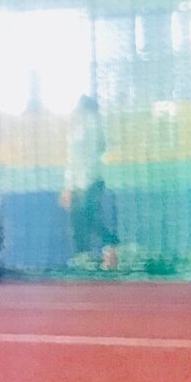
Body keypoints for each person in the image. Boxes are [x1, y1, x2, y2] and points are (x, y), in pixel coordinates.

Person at [64, 95, 118, 269]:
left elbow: (76, 160)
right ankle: (97, 251)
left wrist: (70, 187)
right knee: (85, 220)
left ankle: (101, 249)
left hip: (86, 182)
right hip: (91, 181)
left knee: (83, 220)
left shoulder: (85, 128)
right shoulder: (93, 127)